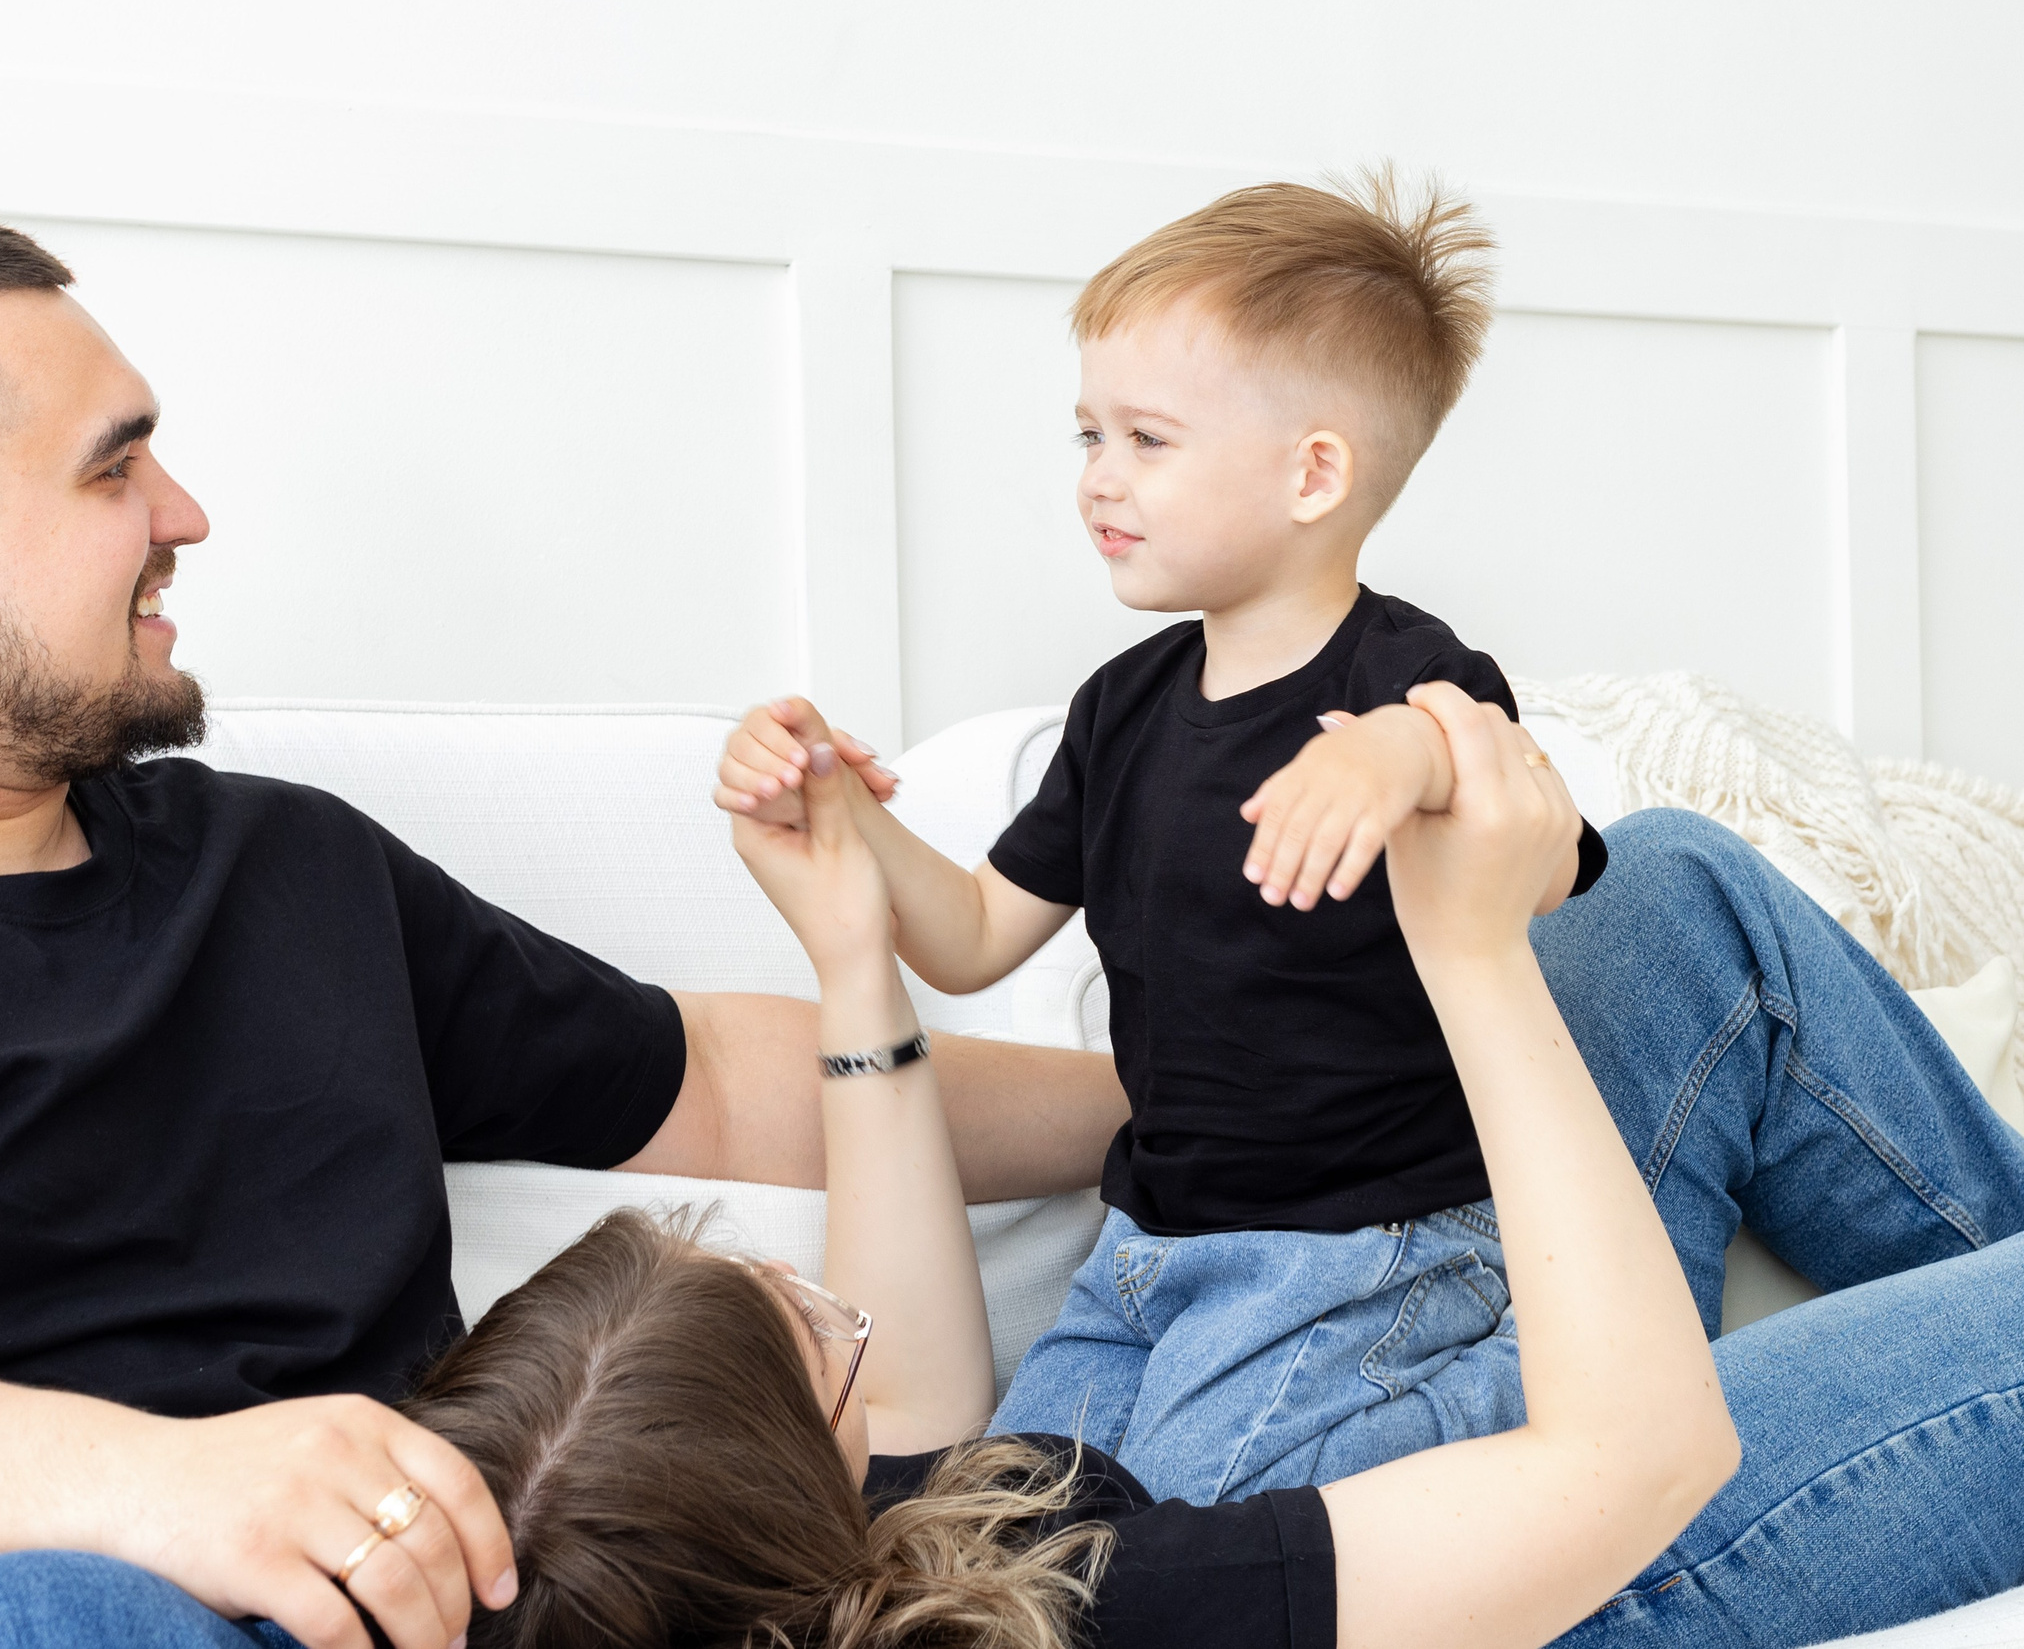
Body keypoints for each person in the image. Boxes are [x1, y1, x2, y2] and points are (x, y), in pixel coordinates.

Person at [0, 211, 1132, 1649]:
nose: (182, 512)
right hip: (21, 1625)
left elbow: (718, 1077)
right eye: (113, 465)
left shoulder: (280, 873)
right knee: (66, 1612)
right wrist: (183, 1492)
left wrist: (1201, 1102)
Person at [398, 688, 2024, 1649]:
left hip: (1326, 1441)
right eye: (784, 1322)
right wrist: (1467, 962)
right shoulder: (1130, 1606)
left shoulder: (768, 1556)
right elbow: (1633, 1464)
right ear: (780, 1506)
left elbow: (913, 1425)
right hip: (1546, 1566)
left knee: (1676, 898)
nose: (804, 1279)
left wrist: (853, 954)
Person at [716, 171, 1617, 1501]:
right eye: (1088, 436)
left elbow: (1546, 853)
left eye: (1147, 439)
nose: (1098, 481)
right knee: (985, 1534)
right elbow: (968, 936)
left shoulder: (1414, 676)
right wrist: (846, 820)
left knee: (1179, 1552)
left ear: (1316, 472)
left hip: (1363, 1251)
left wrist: (1407, 752)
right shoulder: (1122, 708)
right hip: (1145, 1244)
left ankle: (1525, 1375)